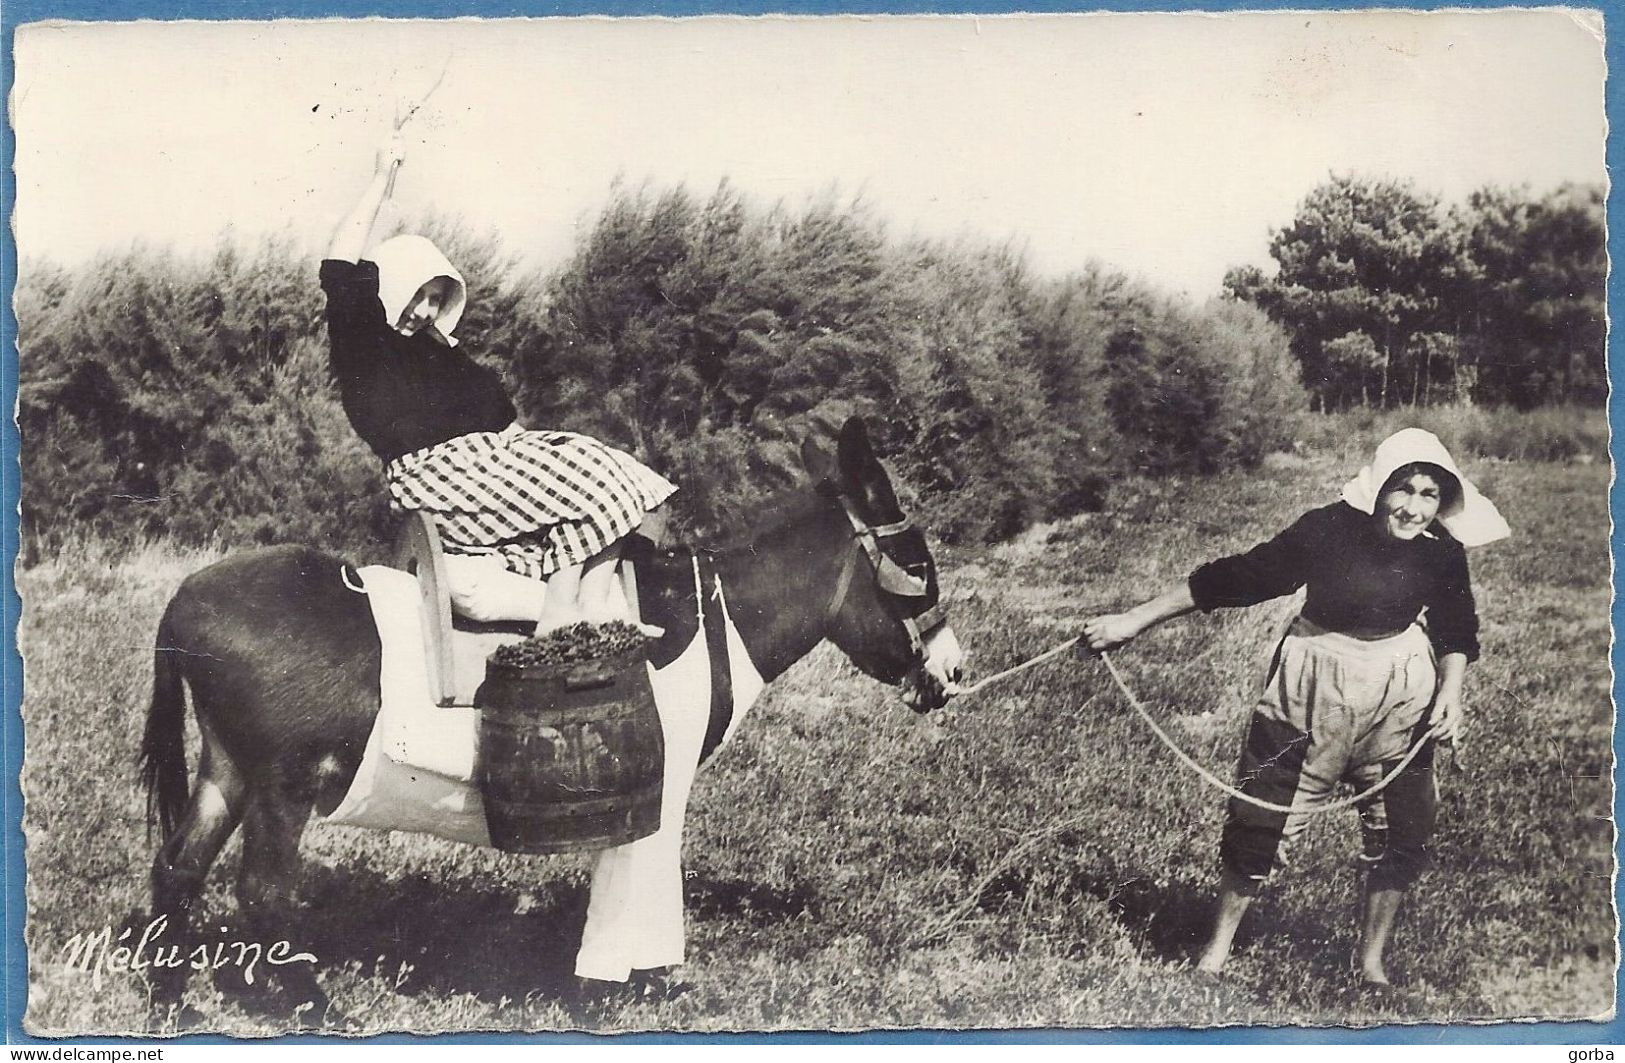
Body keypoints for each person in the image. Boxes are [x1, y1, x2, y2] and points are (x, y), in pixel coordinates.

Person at [1080, 428, 1509, 985]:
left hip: (1402, 694)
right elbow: (1241, 577)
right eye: (1403, 488)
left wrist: (1451, 691)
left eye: (1430, 494)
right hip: (1312, 683)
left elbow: (1457, 629)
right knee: (1262, 817)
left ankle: (1371, 963)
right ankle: (1215, 954)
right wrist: (1131, 621)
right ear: (1378, 486)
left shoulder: (1442, 551)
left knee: (1403, 828)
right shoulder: (1328, 528)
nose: (1413, 507)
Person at [321, 132, 676, 632]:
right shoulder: (364, 342)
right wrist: (382, 177)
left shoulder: (442, 350)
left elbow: (504, 423)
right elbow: (339, 265)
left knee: (634, 480)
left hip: (490, 465)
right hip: (435, 477)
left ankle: (593, 604)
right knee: (587, 474)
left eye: (436, 298)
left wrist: (551, 453)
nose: (424, 310)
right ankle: (559, 611)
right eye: (417, 294)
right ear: (393, 285)